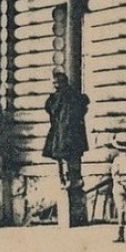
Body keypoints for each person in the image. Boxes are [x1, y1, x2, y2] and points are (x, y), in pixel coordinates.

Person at [43, 71, 91, 223]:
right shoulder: (76, 96)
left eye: (55, 83)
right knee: (73, 164)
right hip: (74, 138)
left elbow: (51, 111)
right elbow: (84, 107)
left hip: (63, 137)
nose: (54, 85)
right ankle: (72, 182)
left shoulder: (57, 98)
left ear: (58, 83)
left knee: (62, 161)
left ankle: (64, 182)